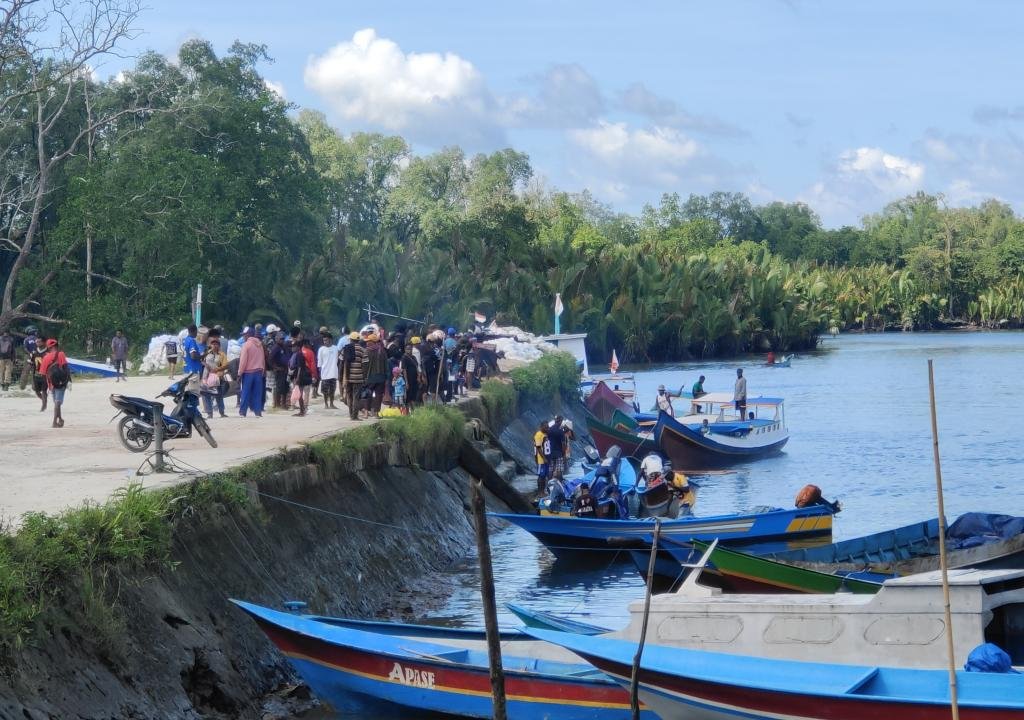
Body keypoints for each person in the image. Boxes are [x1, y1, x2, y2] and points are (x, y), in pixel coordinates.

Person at [38, 338, 69, 428]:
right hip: (61, 382)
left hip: (51, 383)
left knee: (56, 402)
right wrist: (68, 380)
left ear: (48, 347)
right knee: (58, 402)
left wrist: (46, 387)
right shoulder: (61, 354)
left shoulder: (46, 357)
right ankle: (54, 422)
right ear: (56, 346)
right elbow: (66, 367)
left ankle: (60, 419)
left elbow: (43, 373)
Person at [237, 327, 266, 417]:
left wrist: (239, 373)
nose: (243, 337)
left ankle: (243, 412)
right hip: (258, 372)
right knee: (257, 393)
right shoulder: (260, 344)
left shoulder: (246, 345)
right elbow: (263, 359)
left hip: (248, 372)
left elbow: (243, 361)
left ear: (248, 335)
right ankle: (258, 412)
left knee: (245, 392)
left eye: (244, 335)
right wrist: (263, 370)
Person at [201, 338, 229, 418]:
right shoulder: (206, 353)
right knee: (207, 394)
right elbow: (201, 360)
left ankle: (222, 412)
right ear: (210, 345)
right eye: (213, 344)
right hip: (206, 376)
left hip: (217, 377)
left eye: (216, 344)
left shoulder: (222, 354)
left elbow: (226, 365)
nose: (214, 345)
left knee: (218, 395)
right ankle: (210, 413)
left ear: (219, 345)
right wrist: (205, 365)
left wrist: (217, 369)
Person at [363, 333, 388, 417]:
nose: (366, 343)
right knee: (378, 396)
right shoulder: (382, 351)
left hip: (370, 378)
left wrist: (364, 377)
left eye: (368, 341)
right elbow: (386, 365)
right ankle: (376, 413)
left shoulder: (366, 351)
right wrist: (386, 377)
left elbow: (364, 366)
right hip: (381, 378)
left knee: (368, 394)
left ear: (373, 342)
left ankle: (366, 413)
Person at [344, 333, 367, 420]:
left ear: (351, 340)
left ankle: (351, 415)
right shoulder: (362, 350)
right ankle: (355, 416)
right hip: (359, 377)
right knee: (356, 397)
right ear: (358, 340)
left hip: (349, 377)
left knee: (349, 396)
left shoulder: (346, 348)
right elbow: (364, 365)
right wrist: (364, 377)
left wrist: (345, 378)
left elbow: (344, 363)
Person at [269, 333, 291, 410]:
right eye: (281, 339)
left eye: (283, 339)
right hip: (280, 370)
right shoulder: (275, 348)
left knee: (285, 387)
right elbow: (270, 359)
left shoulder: (284, 347)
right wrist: (276, 368)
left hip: (286, 370)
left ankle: (284, 404)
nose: (282, 340)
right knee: (279, 387)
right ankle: (278, 404)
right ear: (276, 339)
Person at [318, 332, 339, 409]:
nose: (325, 342)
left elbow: (339, 359)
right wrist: (320, 373)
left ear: (330, 340)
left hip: (333, 373)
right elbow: (319, 363)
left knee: (332, 390)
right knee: (325, 391)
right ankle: (326, 404)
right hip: (325, 374)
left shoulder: (336, 348)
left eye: (326, 340)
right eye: (324, 340)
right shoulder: (321, 349)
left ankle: (332, 404)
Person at [30, 337, 48, 410]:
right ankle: (44, 401)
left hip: (45, 375)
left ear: (43, 342)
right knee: (36, 391)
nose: (37, 343)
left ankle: (43, 405)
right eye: (36, 342)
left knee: (44, 390)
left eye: (39, 342)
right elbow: (31, 362)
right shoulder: (34, 352)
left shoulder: (48, 352)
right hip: (36, 374)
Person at [534, 421, 550, 493]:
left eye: (548, 427)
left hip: (547, 459)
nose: (547, 428)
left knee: (545, 476)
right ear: (541, 427)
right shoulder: (538, 435)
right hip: (541, 460)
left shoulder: (546, 434)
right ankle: (540, 492)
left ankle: (543, 491)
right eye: (546, 427)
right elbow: (538, 448)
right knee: (541, 476)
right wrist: (544, 458)